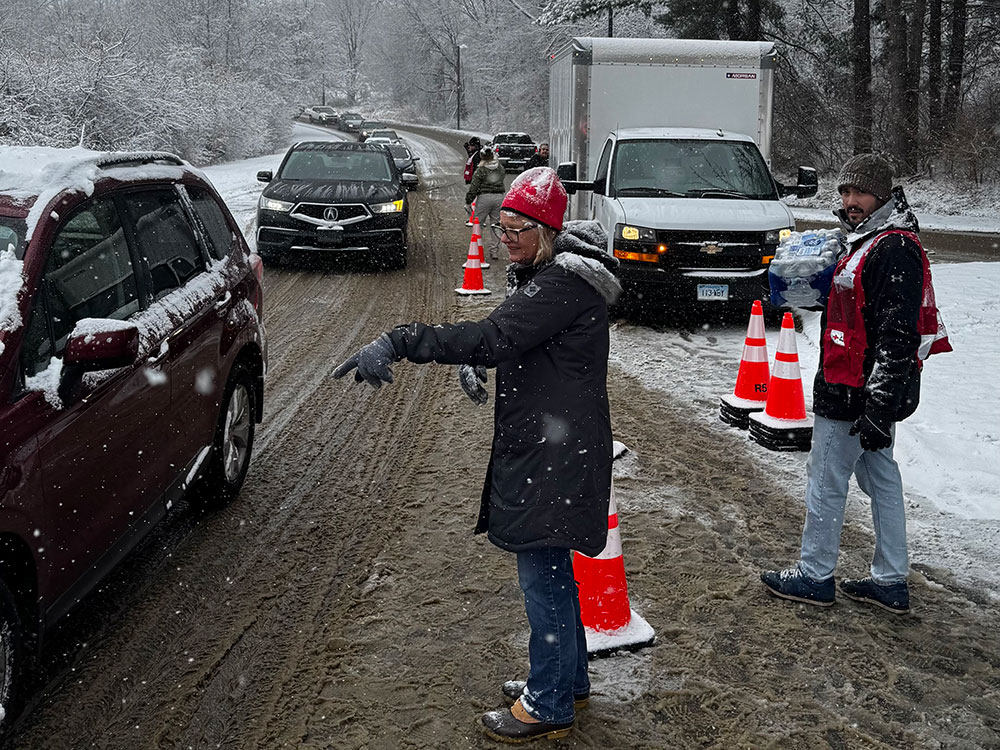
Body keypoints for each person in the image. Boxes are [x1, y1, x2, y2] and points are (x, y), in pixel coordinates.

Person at [333, 167, 621, 742]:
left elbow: (497, 336)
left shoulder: (560, 284)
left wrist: (401, 338)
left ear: (547, 228)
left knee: (541, 574)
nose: (504, 236)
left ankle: (548, 705)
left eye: (517, 226)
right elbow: (512, 338)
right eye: (500, 224)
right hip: (555, 446)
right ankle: (567, 679)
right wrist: (490, 354)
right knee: (554, 570)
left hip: (552, 455)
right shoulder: (547, 275)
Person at [760, 153, 950, 615]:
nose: (850, 201)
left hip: (853, 393)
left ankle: (814, 574)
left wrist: (878, 407)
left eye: (860, 192)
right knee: (879, 477)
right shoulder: (865, 241)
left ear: (882, 194)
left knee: (825, 478)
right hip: (857, 388)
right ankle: (889, 580)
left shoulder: (894, 247)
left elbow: (898, 335)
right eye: (845, 192)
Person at [465, 147, 506, 259]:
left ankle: (477, 248)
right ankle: (494, 250)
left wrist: (469, 200)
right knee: (496, 224)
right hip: (499, 197)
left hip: (484, 198)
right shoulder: (500, 168)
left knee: (478, 223)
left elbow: (474, 187)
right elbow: (502, 177)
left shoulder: (481, 170)